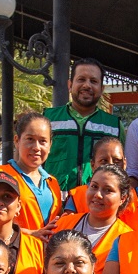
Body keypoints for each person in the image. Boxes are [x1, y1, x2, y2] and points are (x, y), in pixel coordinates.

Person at [45, 58, 124, 192]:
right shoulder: (48, 119)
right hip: (54, 205)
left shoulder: (114, 126)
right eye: (81, 79)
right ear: (70, 85)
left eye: (93, 81)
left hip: (97, 203)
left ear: (102, 88)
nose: (87, 85)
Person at [54, 164, 134, 264]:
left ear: (123, 198)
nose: (98, 195)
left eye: (108, 190)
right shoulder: (63, 224)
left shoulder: (127, 239)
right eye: (94, 186)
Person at [0, 111, 63, 233]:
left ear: (50, 145)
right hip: (13, 250)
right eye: (30, 139)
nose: (36, 147)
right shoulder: (0, 175)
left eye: (43, 141)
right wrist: (32, 234)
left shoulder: (52, 183)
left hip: (47, 251)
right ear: (17, 141)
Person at [63, 135, 138, 233]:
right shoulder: (77, 196)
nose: (110, 165)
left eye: (117, 161)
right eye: (103, 161)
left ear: (125, 164)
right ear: (92, 165)